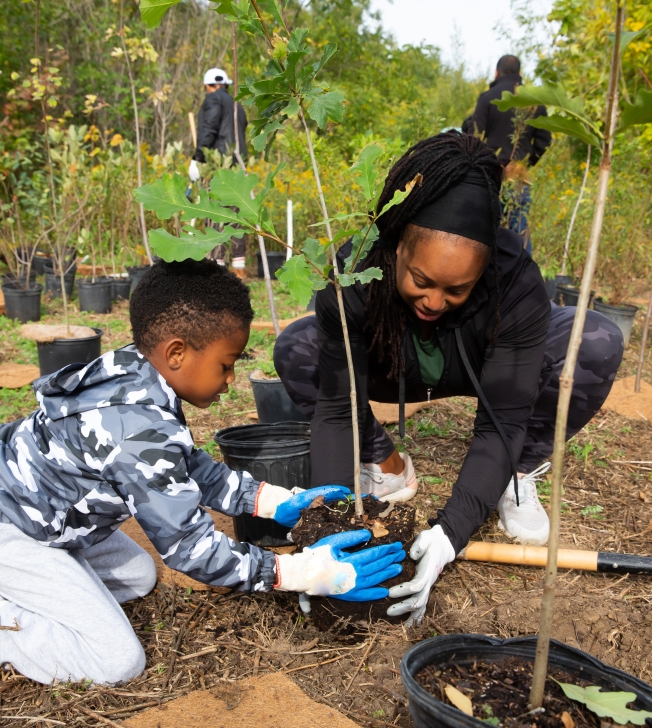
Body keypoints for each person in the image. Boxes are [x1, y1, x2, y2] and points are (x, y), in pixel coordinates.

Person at [274, 131, 624, 625]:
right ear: (395, 247)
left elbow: (501, 415)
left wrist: (449, 533)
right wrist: (324, 535)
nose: (435, 301)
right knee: (298, 346)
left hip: (483, 364)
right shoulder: (352, 274)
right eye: (421, 280)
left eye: (457, 288)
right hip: (394, 363)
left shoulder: (516, 281)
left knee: (595, 339)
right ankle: (385, 461)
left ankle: (515, 474)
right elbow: (337, 407)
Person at [0, 260, 404, 685]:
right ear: (176, 352)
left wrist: (274, 501)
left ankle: (46, 587)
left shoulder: (141, 376)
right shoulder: (134, 429)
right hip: (15, 530)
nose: (231, 379)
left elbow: (188, 468)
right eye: (225, 364)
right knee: (115, 661)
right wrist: (298, 572)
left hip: (46, 515)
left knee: (137, 576)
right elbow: (188, 549)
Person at [469, 54, 552, 255]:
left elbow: (474, 136)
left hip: (489, 175)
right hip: (519, 176)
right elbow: (544, 140)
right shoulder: (534, 103)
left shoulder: (488, 98)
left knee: (483, 232)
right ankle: (523, 281)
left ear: (497, 73)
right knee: (518, 232)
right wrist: (526, 162)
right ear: (520, 74)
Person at [189, 68, 249, 275]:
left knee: (215, 213)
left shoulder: (213, 100)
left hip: (219, 166)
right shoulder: (237, 105)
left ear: (208, 86)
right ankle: (239, 270)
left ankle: (216, 270)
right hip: (238, 166)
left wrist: (197, 158)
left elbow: (209, 128)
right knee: (236, 216)